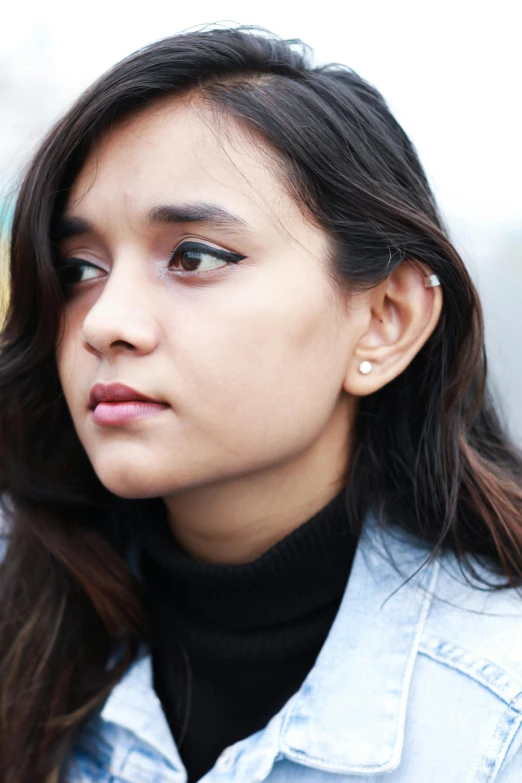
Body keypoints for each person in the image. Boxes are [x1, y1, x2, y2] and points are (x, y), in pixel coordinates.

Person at [1, 25, 522, 783]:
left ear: (386, 318)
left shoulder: (494, 718)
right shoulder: (28, 621)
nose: (106, 322)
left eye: (194, 257)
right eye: (80, 267)